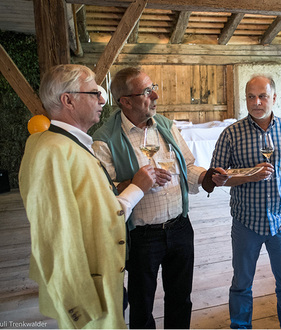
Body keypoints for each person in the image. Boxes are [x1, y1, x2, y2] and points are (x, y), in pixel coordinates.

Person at [19, 64, 156, 329]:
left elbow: (95, 212)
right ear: (67, 100)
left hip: (102, 282)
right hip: (87, 295)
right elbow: (55, 241)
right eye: (95, 93)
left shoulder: (70, 144)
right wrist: (77, 308)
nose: (103, 100)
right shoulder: (51, 151)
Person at [92, 67, 226, 329]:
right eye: (146, 91)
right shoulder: (104, 140)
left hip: (179, 227)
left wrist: (207, 178)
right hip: (141, 236)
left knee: (181, 299)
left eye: (153, 87)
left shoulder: (166, 126)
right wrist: (136, 182)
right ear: (126, 101)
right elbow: (102, 193)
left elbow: (186, 167)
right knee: (142, 305)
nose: (155, 95)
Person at [210, 75, 281, 329]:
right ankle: (240, 326)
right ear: (245, 98)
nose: (256, 102)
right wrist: (249, 175)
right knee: (241, 284)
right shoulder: (231, 134)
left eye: (263, 96)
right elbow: (216, 179)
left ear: (274, 98)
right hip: (246, 221)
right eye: (251, 96)